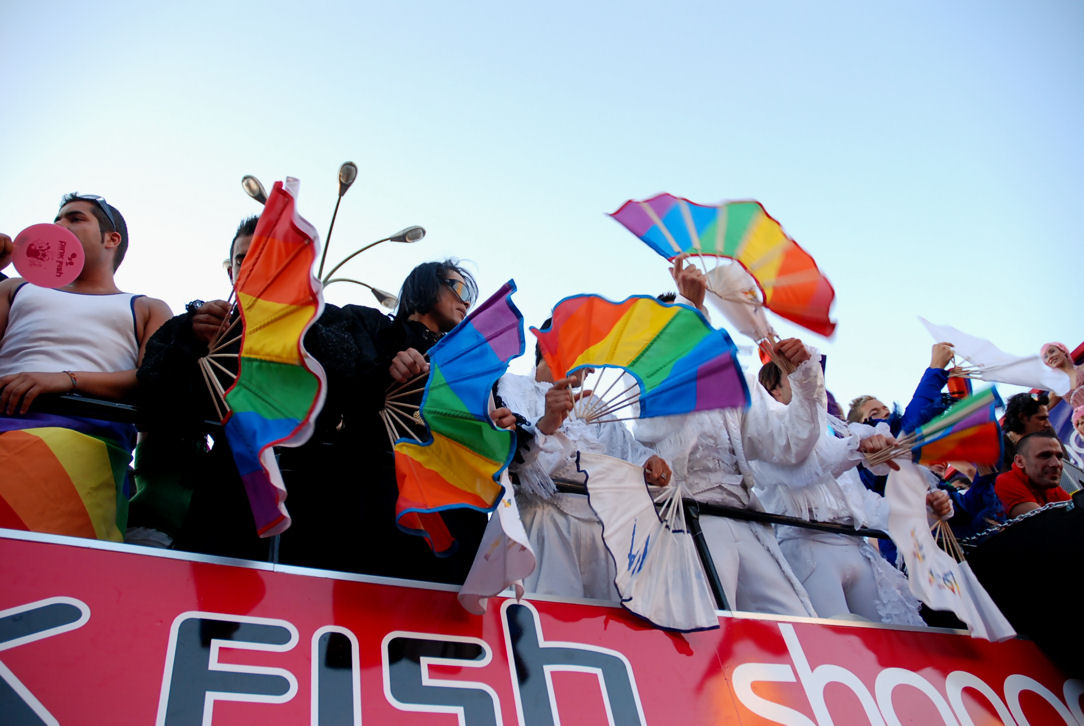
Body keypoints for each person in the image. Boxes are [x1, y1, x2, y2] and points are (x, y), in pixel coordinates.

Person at [274, 260, 500, 584]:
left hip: (450, 504)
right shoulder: (372, 327)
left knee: (439, 603)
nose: (466, 302)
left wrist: (500, 425)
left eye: (470, 296)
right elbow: (332, 376)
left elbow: (481, 432)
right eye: (458, 288)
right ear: (425, 286)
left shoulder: (467, 363)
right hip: (374, 491)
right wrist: (385, 372)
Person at [633, 257, 820, 616]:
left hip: (746, 519)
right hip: (689, 516)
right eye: (673, 327)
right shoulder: (645, 377)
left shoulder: (738, 381)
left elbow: (790, 443)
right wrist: (690, 307)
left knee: (792, 621)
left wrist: (802, 379)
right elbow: (656, 426)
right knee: (709, 622)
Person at [0, 193, 171, 541]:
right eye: (57, 219)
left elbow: (153, 380)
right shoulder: (14, 288)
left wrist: (66, 381)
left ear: (112, 239)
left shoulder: (147, 308)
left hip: (87, 442)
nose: (59, 226)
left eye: (75, 218)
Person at [754, 361, 950, 624]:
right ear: (775, 391)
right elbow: (806, 468)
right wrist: (857, 446)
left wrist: (921, 506)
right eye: (798, 377)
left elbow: (865, 505)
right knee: (835, 638)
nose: (812, 382)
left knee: (893, 636)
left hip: (856, 546)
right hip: (807, 550)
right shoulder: (765, 433)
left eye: (814, 376)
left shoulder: (835, 432)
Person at [496, 331, 672, 601]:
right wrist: (547, 424)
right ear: (547, 343)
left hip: (601, 532)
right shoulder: (512, 386)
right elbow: (516, 457)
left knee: (607, 617)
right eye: (584, 352)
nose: (591, 368)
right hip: (544, 525)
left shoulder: (593, 403)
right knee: (548, 612)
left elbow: (627, 452)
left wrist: (650, 464)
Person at [995, 430, 1069, 518]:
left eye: (1059, 457)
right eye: (1045, 456)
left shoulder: (1051, 488)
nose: (1056, 464)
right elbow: (1045, 523)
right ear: (1020, 461)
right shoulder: (1005, 483)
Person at [999, 391, 1054, 472]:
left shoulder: (1047, 432)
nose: (1048, 424)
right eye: (1041, 418)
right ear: (1022, 417)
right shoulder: (1000, 451)